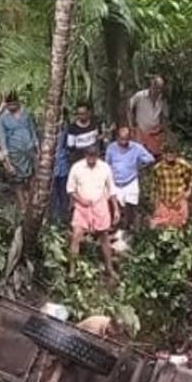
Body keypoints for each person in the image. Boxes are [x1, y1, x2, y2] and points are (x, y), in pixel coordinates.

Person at [65, 144, 120, 277]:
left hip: (100, 205)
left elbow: (111, 189)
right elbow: (71, 190)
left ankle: (109, 268)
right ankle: (72, 270)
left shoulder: (104, 168)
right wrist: (81, 200)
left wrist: (116, 209)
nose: (91, 160)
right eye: (89, 157)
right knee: (76, 235)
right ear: (85, 156)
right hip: (82, 206)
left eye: (94, 157)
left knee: (104, 236)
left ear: (98, 156)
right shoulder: (77, 168)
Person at [105, 127, 155, 229]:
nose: (123, 142)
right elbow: (107, 164)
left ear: (129, 138)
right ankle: (116, 228)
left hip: (130, 181)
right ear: (117, 137)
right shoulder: (111, 148)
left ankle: (129, 227)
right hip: (115, 181)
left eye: (126, 139)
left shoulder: (136, 148)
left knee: (131, 206)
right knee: (115, 206)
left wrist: (139, 166)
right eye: (121, 139)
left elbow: (150, 159)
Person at [0, 92, 38, 213]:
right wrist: (7, 161)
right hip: (14, 153)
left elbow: (32, 130)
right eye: (9, 105)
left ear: (18, 102)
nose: (12, 107)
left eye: (14, 104)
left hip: (29, 151)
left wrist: (37, 147)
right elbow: (2, 139)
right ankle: (23, 208)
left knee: (32, 178)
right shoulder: (3, 119)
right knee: (17, 181)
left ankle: (31, 204)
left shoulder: (26, 113)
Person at [148, 142, 192, 229]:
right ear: (163, 154)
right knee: (163, 223)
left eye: (172, 153)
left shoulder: (183, 165)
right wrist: (155, 201)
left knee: (180, 222)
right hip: (165, 200)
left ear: (176, 154)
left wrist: (189, 189)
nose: (170, 156)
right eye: (167, 153)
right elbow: (154, 185)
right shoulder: (158, 168)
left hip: (179, 199)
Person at [128, 75, 168, 156]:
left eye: (160, 88)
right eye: (156, 87)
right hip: (141, 132)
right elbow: (129, 108)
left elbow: (163, 116)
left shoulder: (162, 100)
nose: (158, 90)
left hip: (155, 134)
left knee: (155, 157)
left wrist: (164, 131)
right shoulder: (139, 96)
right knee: (140, 155)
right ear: (151, 86)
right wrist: (131, 126)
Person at [64, 100, 101, 166]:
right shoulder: (72, 128)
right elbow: (71, 147)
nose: (81, 116)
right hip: (78, 161)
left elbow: (96, 139)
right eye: (79, 114)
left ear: (88, 113)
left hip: (93, 159)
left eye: (84, 113)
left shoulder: (94, 124)